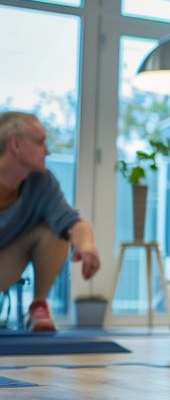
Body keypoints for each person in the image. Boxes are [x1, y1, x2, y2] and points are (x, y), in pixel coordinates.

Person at [0, 111, 100, 331]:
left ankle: (38, 306)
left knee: (56, 230)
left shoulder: (41, 182)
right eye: (40, 142)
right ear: (15, 145)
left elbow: (72, 223)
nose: (47, 150)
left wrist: (87, 246)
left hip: (5, 262)